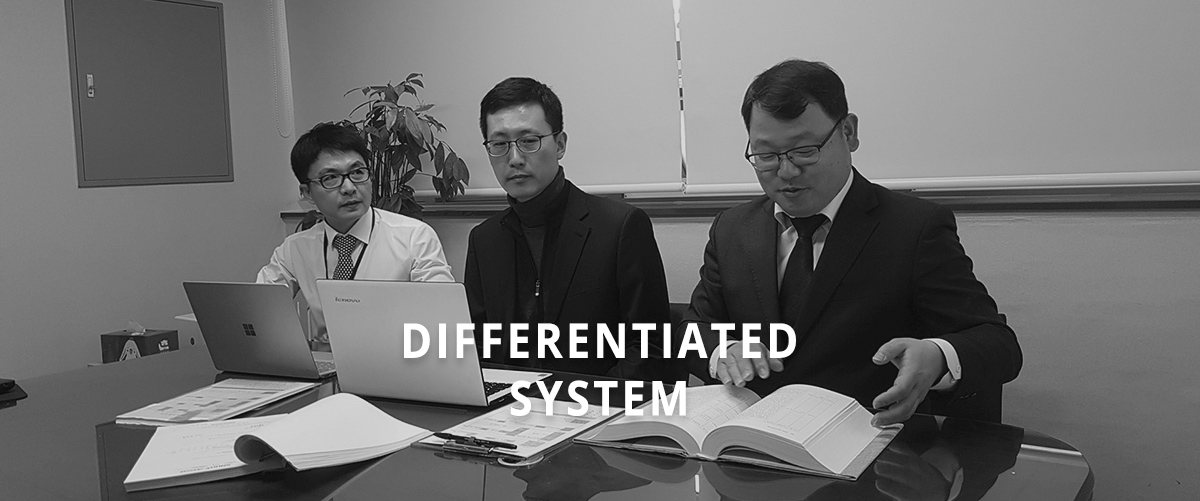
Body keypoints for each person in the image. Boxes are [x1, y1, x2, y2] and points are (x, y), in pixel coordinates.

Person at [683, 59, 1021, 426]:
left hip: (866, 443)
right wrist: (724, 350)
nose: (786, 171)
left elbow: (998, 343)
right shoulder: (733, 228)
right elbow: (694, 329)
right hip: (751, 442)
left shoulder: (913, 228)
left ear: (848, 132)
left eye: (804, 150)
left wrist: (938, 356)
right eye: (766, 156)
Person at [464, 77, 678, 382]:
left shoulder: (620, 227)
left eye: (529, 141)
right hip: (511, 406)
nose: (515, 159)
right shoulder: (484, 239)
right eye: (499, 144)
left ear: (560, 144)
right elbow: (478, 346)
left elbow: (650, 348)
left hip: (598, 405)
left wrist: (585, 403)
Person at [257, 122, 454, 345]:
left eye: (358, 172)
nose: (349, 188)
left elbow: (444, 318)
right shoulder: (295, 249)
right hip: (327, 362)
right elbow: (258, 308)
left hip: (395, 359)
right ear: (307, 193)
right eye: (330, 178)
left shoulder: (414, 238)